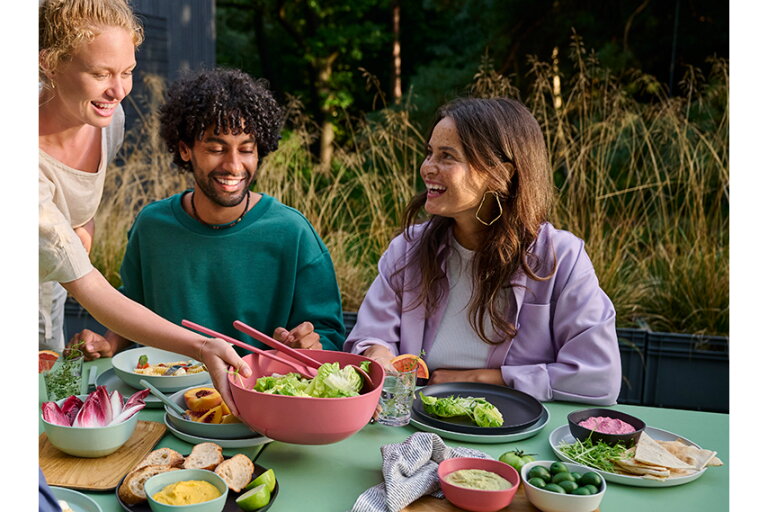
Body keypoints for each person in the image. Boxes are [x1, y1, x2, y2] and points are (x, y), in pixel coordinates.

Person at [39, 0, 250, 414]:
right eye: (100, 74)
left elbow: (81, 201)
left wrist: (82, 227)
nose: (118, 91)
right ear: (49, 63)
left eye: (127, 72)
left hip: (48, 300)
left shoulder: (107, 120)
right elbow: (93, 289)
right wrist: (202, 345)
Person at [344, 97, 621, 405]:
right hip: (417, 426)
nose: (427, 168)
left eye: (447, 156)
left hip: (519, 437)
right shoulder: (408, 249)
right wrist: (376, 354)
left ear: (501, 174)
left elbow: (599, 377)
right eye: (429, 153)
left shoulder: (561, 258)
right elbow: (369, 337)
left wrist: (489, 380)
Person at [70, 68, 346, 360]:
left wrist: (309, 346)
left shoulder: (293, 232)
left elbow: (330, 336)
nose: (234, 165)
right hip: (161, 396)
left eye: (247, 150)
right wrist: (108, 343)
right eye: (216, 148)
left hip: (256, 397)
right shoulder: (152, 227)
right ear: (185, 149)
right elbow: (135, 306)